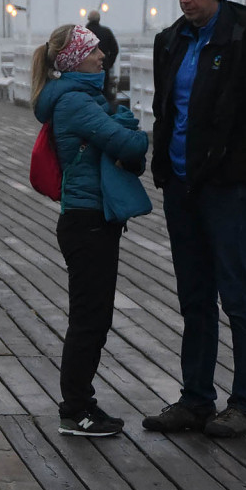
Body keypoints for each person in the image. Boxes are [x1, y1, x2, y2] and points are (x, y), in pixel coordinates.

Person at [142, 0, 246, 438]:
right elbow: (167, 111)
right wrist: (164, 167)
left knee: (237, 296)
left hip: (226, 191)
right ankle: (196, 399)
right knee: (194, 297)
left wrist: (235, 172)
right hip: (182, 187)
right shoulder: (170, 42)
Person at [31, 24, 149, 437]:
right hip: (87, 222)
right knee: (88, 319)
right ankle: (75, 410)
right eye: (95, 50)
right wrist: (130, 126)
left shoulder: (81, 100)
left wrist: (117, 123)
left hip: (90, 220)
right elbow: (131, 148)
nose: (103, 56)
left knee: (94, 316)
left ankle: (83, 402)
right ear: (76, 58)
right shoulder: (76, 105)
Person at [84, 10, 119, 101]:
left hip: (86, 70)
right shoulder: (106, 31)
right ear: (99, 19)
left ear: (88, 19)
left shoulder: (84, 33)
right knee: (103, 93)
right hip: (103, 67)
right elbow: (115, 50)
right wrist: (109, 63)